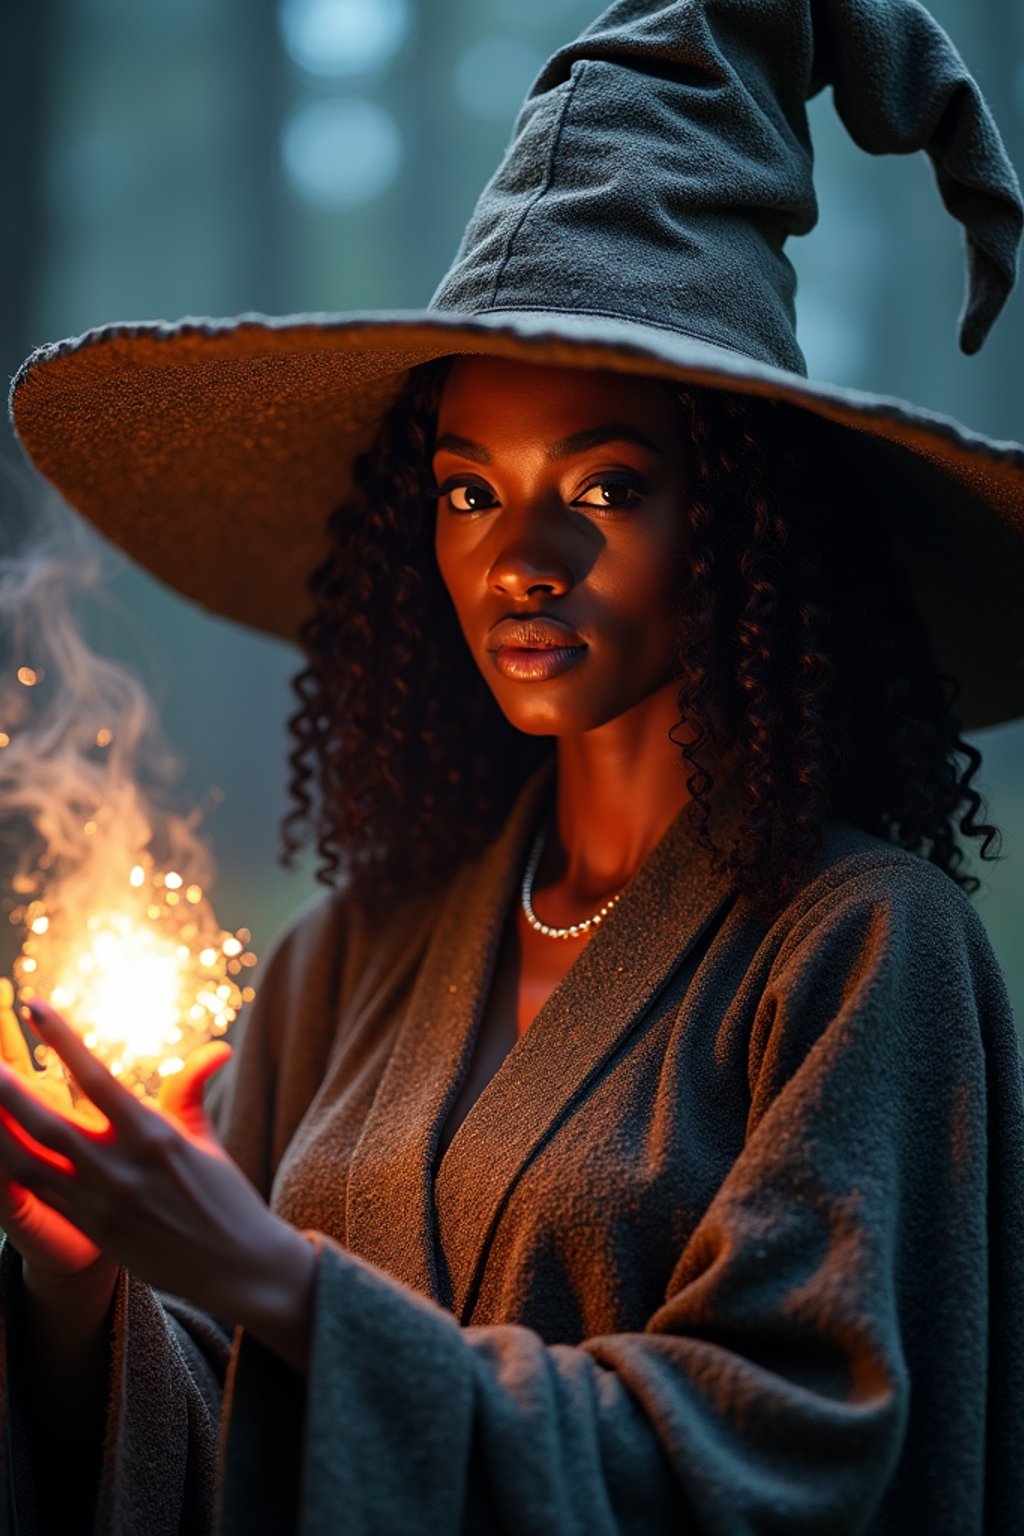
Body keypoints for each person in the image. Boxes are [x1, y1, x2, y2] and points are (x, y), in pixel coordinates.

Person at [2, 1, 1024, 1532]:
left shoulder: (864, 950)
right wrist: (93, 1290)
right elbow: (226, 1442)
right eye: (468, 489)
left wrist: (276, 1274)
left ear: (741, 522)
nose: (521, 559)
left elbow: (800, 1454)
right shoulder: (348, 959)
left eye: (605, 484)